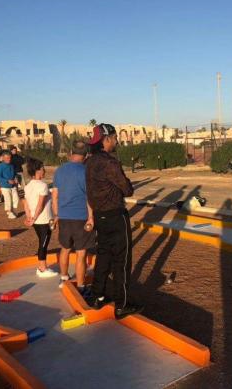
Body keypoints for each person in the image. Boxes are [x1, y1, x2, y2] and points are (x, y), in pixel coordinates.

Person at [85, 123, 143, 319]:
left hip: (100, 216)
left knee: (103, 257)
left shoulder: (90, 162)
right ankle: (122, 303)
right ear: (106, 139)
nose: (117, 141)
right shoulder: (110, 162)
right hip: (116, 216)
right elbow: (127, 189)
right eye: (115, 137)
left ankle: (97, 296)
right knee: (121, 260)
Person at [52, 141, 95, 293]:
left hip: (64, 217)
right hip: (81, 217)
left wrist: (56, 215)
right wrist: (91, 217)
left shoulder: (59, 171)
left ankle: (63, 278)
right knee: (81, 253)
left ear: (71, 152)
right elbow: (90, 198)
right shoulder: (86, 172)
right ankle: (81, 286)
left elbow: (55, 195)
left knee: (65, 249)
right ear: (87, 155)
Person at [23, 158, 58, 278]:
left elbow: (26, 203)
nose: (44, 171)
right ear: (37, 171)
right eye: (43, 168)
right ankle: (42, 268)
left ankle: (42, 266)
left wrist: (29, 217)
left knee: (42, 242)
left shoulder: (28, 186)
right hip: (43, 220)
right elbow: (40, 204)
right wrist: (34, 217)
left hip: (36, 220)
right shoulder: (42, 185)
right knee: (43, 243)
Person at [0, 151, 19, 219]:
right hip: (4, 186)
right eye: (7, 158)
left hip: (13, 185)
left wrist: (16, 178)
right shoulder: (0, 166)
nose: (9, 159)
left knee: (16, 198)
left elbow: (14, 173)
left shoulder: (12, 165)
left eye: (10, 158)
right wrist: (7, 181)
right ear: (3, 158)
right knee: (8, 199)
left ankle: (13, 210)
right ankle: (9, 212)